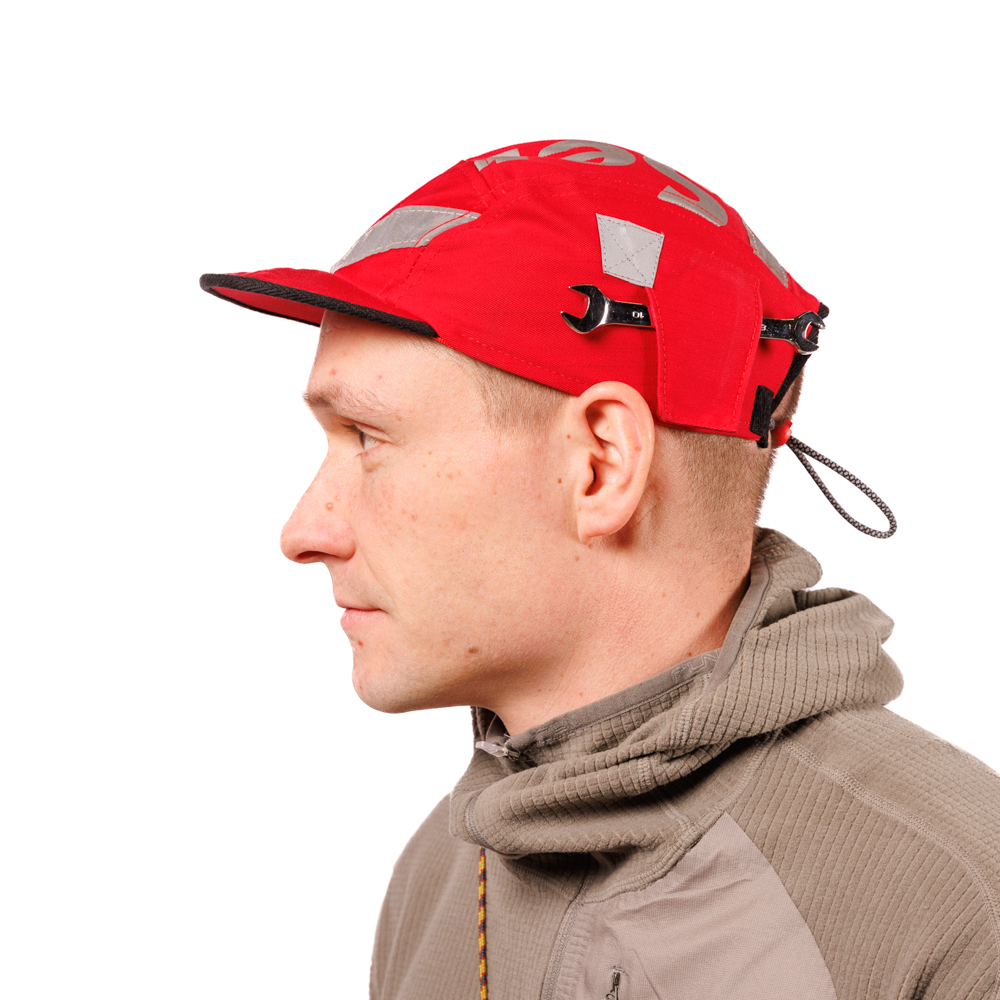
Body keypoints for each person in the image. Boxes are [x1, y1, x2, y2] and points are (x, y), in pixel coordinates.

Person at [201, 140, 999, 1000]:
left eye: (367, 437)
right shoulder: (445, 869)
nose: (304, 532)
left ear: (601, 466)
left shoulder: (954, 905)